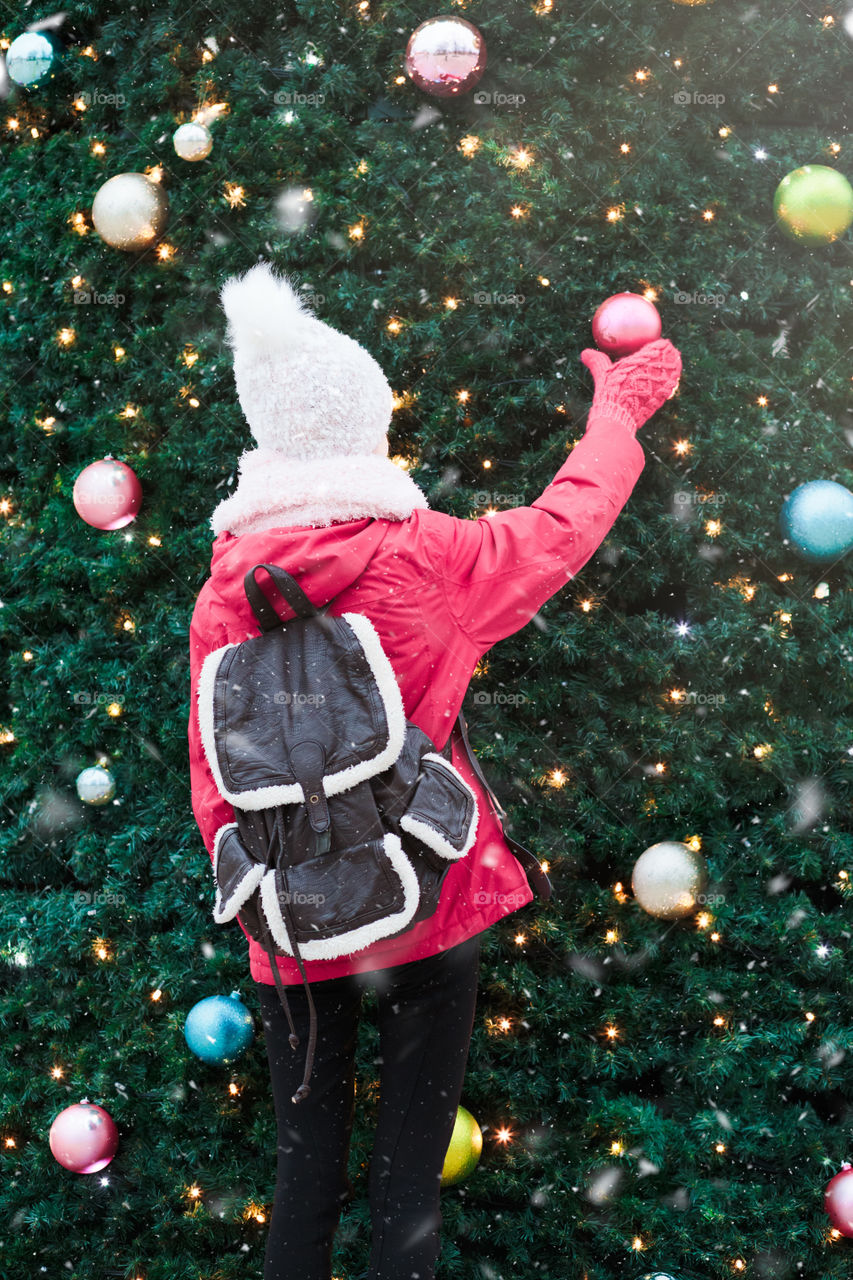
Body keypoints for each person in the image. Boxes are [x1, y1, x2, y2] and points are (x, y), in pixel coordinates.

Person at [187, 261, 682, 1280]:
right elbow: (562, 528)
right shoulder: (426, 553)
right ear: (366, 430)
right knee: (407, 1179)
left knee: (302, 1169)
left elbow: (216, 774)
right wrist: (614, 415)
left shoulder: (220, 592)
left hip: (287, 919)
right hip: (430, 890)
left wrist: (268, 902)